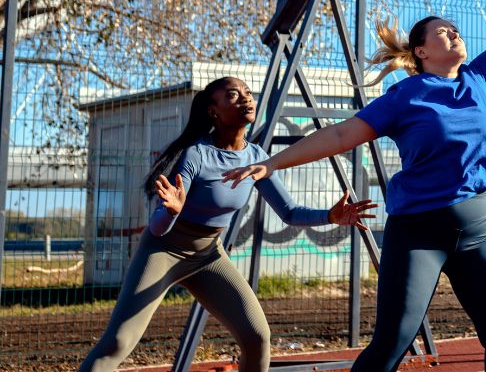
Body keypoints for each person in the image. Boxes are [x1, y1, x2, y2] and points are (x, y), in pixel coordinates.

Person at [224, 0, 486, 372]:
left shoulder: (481, 78)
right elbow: (339, 135)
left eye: (456, 27)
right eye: (442, 30)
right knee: (391, 343)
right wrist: (274, 162)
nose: (455, 32)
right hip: (418, 234)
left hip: (481, 232)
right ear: (422, 52)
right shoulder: (405, 96)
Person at [78, 77, 376, 372]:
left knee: (257, 337)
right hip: (163, 251)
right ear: (213, 110)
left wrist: (331, 216)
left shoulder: (256, 157)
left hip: (208, 256)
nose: (246, 99)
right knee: (118, 343)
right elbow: (157, 229)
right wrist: (173, 211)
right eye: (233, 95)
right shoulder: (196, 154)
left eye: (247, 93)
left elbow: (289, 212)